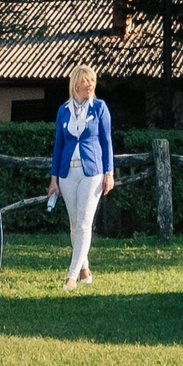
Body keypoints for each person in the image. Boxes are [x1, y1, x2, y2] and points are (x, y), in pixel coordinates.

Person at [49, 67, 117, 288]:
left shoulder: (100, 108)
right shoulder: (63, 110)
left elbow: (107, 143)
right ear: (76, 84)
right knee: (74, 222)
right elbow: (58, 145)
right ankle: (85, 269)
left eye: (92, 81)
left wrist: (109, 173)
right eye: (86, 81)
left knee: (85, 223)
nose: (90, 85)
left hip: (93, 172)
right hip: (68, 172)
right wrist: (54, 179)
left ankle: (71, 276)